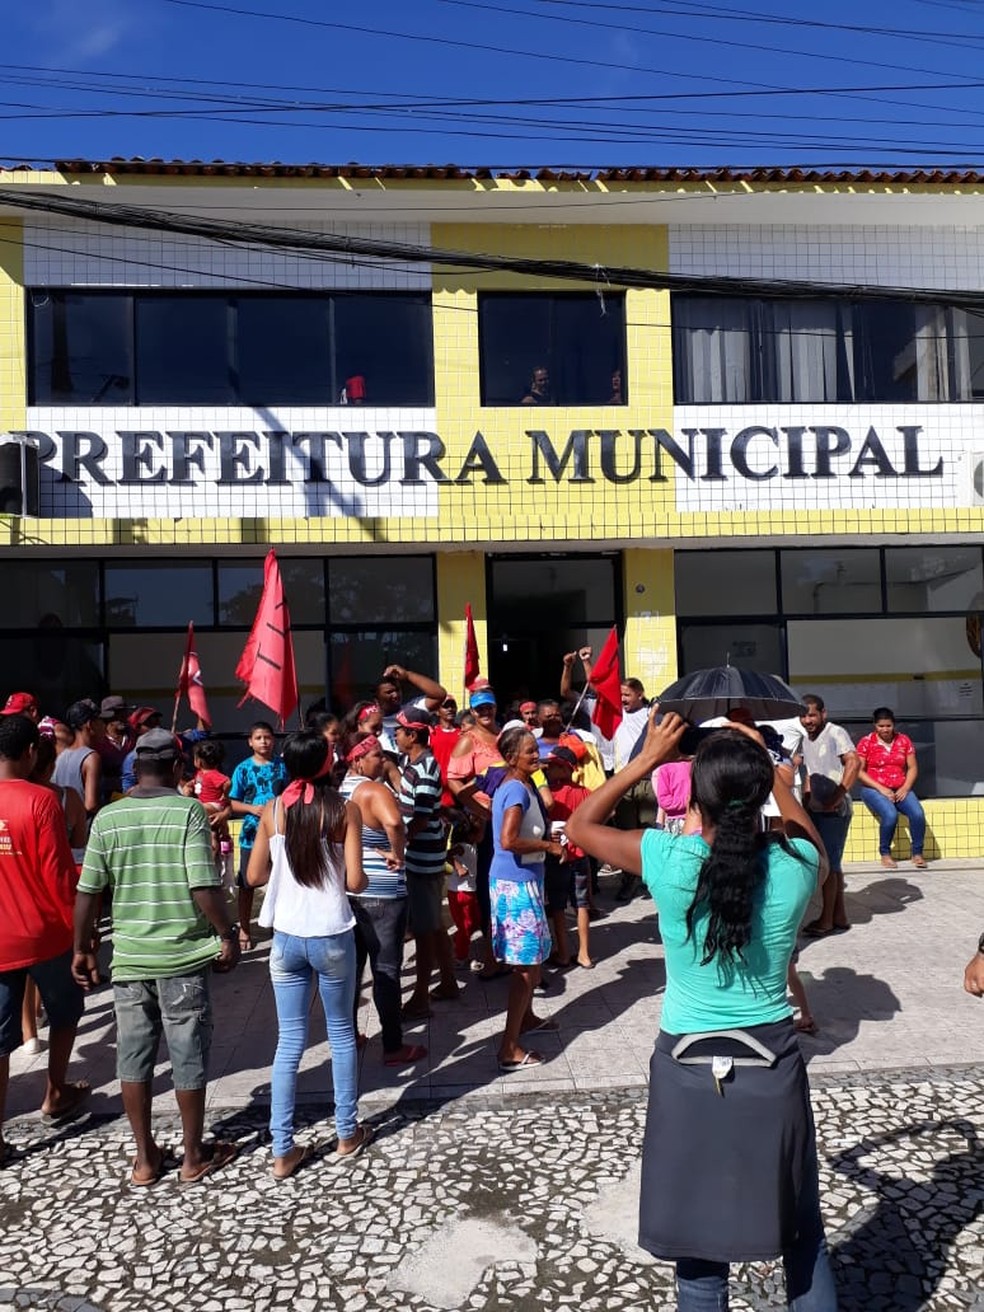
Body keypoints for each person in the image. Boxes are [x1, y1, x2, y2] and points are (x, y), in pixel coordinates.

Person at [566, 712, 837, 1311]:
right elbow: (809, 840)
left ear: (695, 799)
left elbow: (580, 826)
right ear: (760, 794)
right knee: (802, 1238)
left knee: (698, 1260)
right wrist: (774, 773)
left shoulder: (669, 858)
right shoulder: (795, 864)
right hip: (772, 1065)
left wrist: (645, 760)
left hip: (686, 1069)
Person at [73, 728, 241, 1186]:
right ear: (178, 767)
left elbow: (88, 891)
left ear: (135, 767)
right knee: (188, 1055)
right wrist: (227, 932)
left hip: (130, 959)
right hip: (183, 958)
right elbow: (202, 884)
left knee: (133, 1058)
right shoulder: (188, 811)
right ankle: (192, 1155)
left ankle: (145, 1159)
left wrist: (82, 948)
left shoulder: (108, 818)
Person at [246, 731, 372, 1177]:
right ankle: (346, 1132)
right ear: (326, 764)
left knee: (289, 1041)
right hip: (332, 933)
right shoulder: (344, 810)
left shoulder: (273, 810)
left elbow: (253, 876)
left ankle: (282, 1149)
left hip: (286, 936)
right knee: (340, 1033)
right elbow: (355, 881)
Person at [0, 714, 89, 1163]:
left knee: (0, 1039)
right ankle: (55, 1090)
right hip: (45, 934)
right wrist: (80, 937)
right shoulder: (41, 800)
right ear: (31, 752)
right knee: (67, 1011)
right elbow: (58, 876)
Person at [338, 730, 426, 1068]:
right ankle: (392, 1045)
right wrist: (398, 854)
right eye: (377, 754)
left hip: (350, 890)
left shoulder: (341, 790)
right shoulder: (374, 790)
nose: (384, 759)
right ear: (358, 759)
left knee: (353, 968)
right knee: (386, 969)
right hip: (384, 891)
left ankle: (349, 1036)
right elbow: (395, 823)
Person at [490, 726, 563, 1072]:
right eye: (529, 751)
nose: (537, 755)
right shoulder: (517, 789)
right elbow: (508, 840)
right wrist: (549, 846)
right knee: (523, 966)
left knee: (532, 960)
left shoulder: (524, 784)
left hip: (526, 881)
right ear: (511, 758)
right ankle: (509, 1048)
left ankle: (527, 1016)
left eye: (537, 749)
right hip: (515, 886)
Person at [396, 708, 459, 1020]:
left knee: (423, 930)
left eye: (399, 730)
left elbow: (421, 818)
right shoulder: (413, 763)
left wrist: (399, 843)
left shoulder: (424, 767)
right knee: (433, 923)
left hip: (423, 858)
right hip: (422, 856)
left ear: (412, 735)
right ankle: (448, 982)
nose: (396, 735)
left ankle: (421, 997)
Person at [448, 688, 508, 980]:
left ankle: (508, 949)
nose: (485, 712)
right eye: (479, 708)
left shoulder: (504, 735)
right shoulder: (467, 741)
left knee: (507, 884)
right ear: (472, 711)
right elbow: (454, 782)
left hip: (510, 818)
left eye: (489, 707)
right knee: (487, 887)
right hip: (485, 824)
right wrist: (481, 810)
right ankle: (490, 953)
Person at [799, 695, 859, 937]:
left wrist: (837, 797)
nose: (807, 720)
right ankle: (839, 916)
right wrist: (806, 801)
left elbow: (854, 763)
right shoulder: (805, 737)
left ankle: (826, 920)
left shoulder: (835, 733)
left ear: (823, 714)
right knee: (832, 863)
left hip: (835, 811)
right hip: (816, 809)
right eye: (803, 716)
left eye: (812, 715)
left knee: (829, 864)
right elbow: (809, 772)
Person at [228, 721, 288, 951]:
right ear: (250, 742)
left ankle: (278, 925)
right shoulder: (243, 769)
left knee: (280, 880)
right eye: (259, 738)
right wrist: (252, 809)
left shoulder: (283, 766)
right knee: (247, 883)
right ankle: (244, 928)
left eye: (268, 737)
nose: (264, 742)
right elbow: (232, 802)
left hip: (279, 833)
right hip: (252, 834)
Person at [856, 707, 928, 870]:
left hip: (900, 787)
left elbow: (912, 767)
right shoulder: (866, 742)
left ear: (893, 724)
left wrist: (906, 787)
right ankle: (885, 853)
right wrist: (881, 789)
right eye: (881, 726)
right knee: (890, 815)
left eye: (888, 726)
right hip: (874, 789)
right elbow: (859, 771)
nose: (885, 729)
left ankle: (917, 853)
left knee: (917, 814)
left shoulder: (903, 740)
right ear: (875, 725)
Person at [543, 745, 594, 970]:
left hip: (557, 856)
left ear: (565, 769)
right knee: (581, 904)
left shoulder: (549, 794)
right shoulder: (585, 793)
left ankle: (563, 953)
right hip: (580, 854)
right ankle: (584, 953)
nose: (548, 769)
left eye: (553, 766)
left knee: (558, 907)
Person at [182, 740, 233, 886]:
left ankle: (213, 851)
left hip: (213, 805)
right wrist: (189, 785)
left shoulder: (213, 774)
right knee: (212, 830)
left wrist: (225, 794)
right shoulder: (200, 774)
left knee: (198, 809)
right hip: (208, 806)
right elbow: (195, 782)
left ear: (199, 760)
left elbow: (227, 782)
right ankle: (217, 848)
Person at [374, 664, 447, 757]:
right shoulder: (373, 722)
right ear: (377, 699)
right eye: (389, 692)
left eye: (397, 690)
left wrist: (407, 675)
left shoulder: (411, 711)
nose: (395, 695)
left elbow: (439, 695)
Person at [52, 698, 103, 818]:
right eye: (100, 722)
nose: (104, 726)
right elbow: (90, 805)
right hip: (84, 825)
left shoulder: (61, 757)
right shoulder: (91, 758)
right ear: (90, 725)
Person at [445, 811, 481, 967]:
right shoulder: (463, 847)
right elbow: (447, 855)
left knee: (472, 922)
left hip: (467, 890)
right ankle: (460, 957)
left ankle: (458, 941)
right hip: (461, 891)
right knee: (466, 925)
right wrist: (459, 867)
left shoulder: (471, 846)